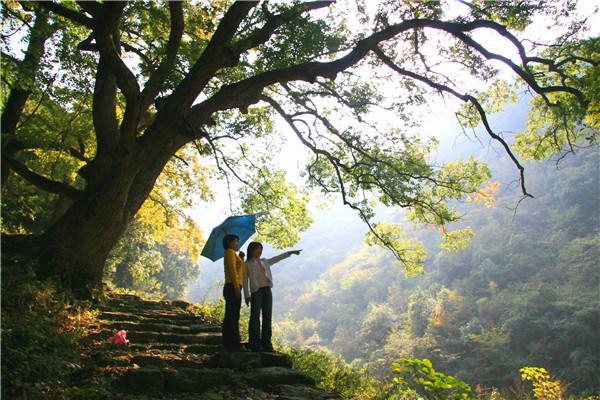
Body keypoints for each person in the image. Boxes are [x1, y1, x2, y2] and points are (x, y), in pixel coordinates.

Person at [243, 241, 302, 352]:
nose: (259, 251)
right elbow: (245, 281)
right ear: (251, 250)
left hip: (267, 291)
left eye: (261, 249)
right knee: (255, 318)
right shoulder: (247, 264)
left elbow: (277, 258)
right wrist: (246, 296)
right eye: (257, 248)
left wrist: (290, 253)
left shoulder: (264, 261)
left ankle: (266, 344)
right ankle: (254, 344)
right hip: (256, 292)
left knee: (267, 317)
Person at [221, 234, 249, 352]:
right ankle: (233, 343)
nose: (237, 243)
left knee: (232, 314)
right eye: (236, 241)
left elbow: (240, 270)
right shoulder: (230, 252)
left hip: (234, 286)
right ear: (229, 241)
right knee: (232, 315)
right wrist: (237, 288)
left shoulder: (233, 254)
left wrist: (241, 258)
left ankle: (229, 342)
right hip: (233, 286)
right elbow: (232, 270)